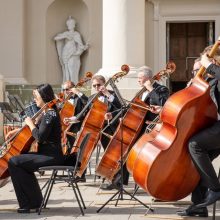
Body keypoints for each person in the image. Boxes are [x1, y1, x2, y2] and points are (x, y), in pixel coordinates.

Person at [101, 66, 169, 190]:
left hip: (151, 128)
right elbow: (130, 108)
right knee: (125, 151)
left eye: (140, 78)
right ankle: (118, 181)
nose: (138, 80)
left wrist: (150, 88)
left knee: (137, 154)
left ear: (148, 78)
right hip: (138, 126)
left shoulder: (161, 89)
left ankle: (155, 183)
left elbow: (163, 104)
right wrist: (114, 114)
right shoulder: (141, 92)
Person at [8, 84, 64, 214]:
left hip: (51, 157)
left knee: (14, 162)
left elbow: (40, 137)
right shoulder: (48, 112)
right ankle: (35, 201)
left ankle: (28, 204)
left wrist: (30, 123)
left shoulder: (50, 114)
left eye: (36, 96)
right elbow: (40, 131)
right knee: (19, 163)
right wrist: (19, 130)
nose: (34, 100)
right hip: (47, 154)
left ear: (44, 97)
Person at [177, 49, 220, 217]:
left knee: (194, 145)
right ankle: (199, 205)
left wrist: (208, 64)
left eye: (201, 67)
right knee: (200, 163)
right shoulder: (207, 82)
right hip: (215, 127)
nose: (199, 72)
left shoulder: (216, 76)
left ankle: (216, 188)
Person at [62, 80, 88, 182]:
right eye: (64, 90)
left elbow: (87, 105)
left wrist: (78, 92)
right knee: (69, 151)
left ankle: (80, 175)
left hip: (77, 128)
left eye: (67, 89)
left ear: (73, 88)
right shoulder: (64, 100)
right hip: (66, 129)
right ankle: (71, 172)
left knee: (78, 152)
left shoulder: (79, 98)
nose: (65, 91)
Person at [54, 16, 88, 83]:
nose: (69, 26)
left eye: (71, 24)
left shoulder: (76, 34)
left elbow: (80, 45)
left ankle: (73, 85)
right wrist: (65, 36)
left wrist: (83, 48)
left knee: (72, 71)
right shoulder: (66, 33)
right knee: (66, 70)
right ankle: (67, 85)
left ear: (74, 25)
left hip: (73, 54)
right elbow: (56, 38)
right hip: (66, 53)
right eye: (68, 24)